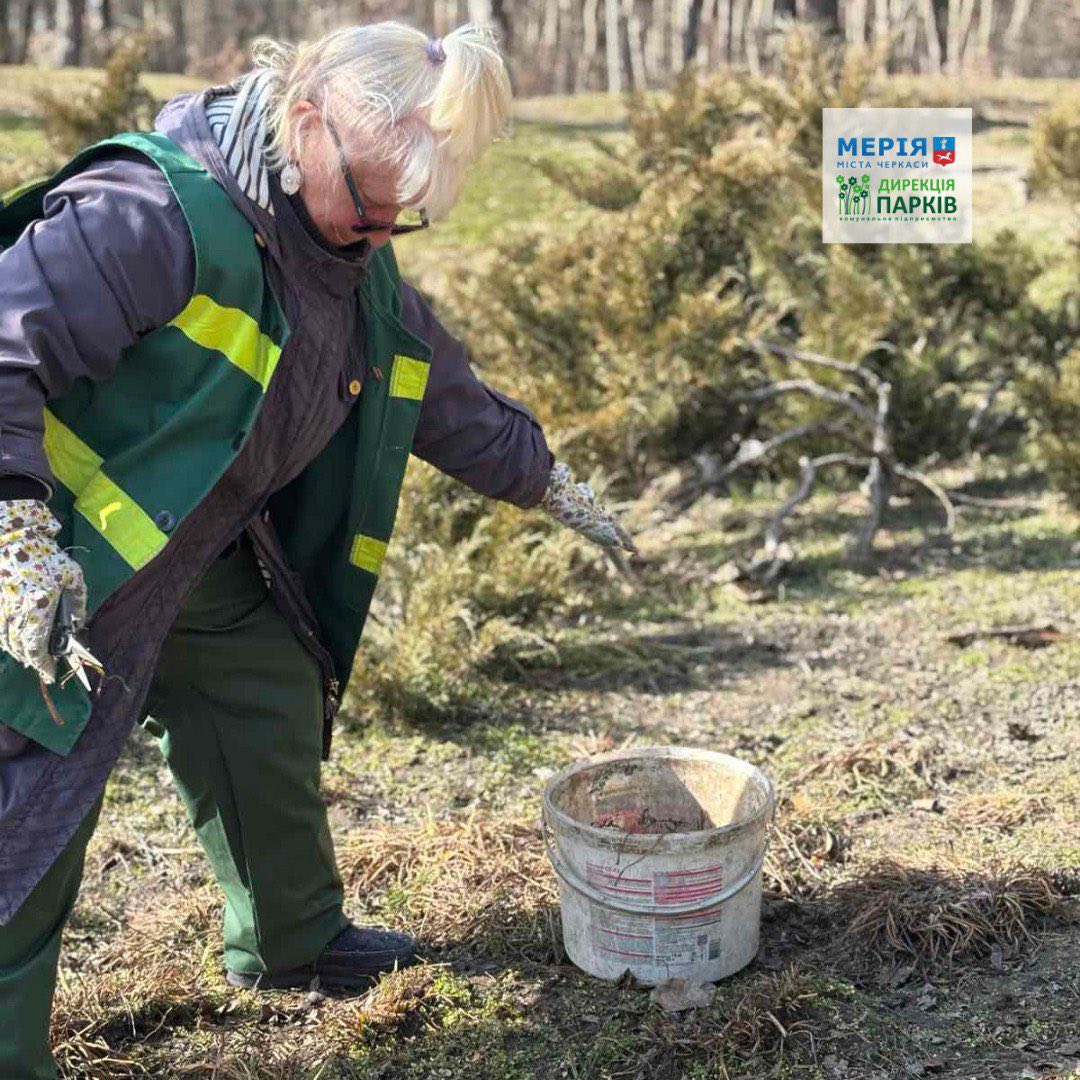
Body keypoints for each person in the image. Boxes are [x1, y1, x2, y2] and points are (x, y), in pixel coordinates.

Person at [0, 22, 635, 1078]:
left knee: (263, 689)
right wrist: (16, 534)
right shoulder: (151, 215)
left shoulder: (347, 253)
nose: (379, 234)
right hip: (53, 568)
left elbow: (436, 389)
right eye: (369, 203)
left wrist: (550, 482)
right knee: (27, 825)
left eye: (404, 220)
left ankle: (291, 940)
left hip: (190, 554)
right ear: (306, 122)